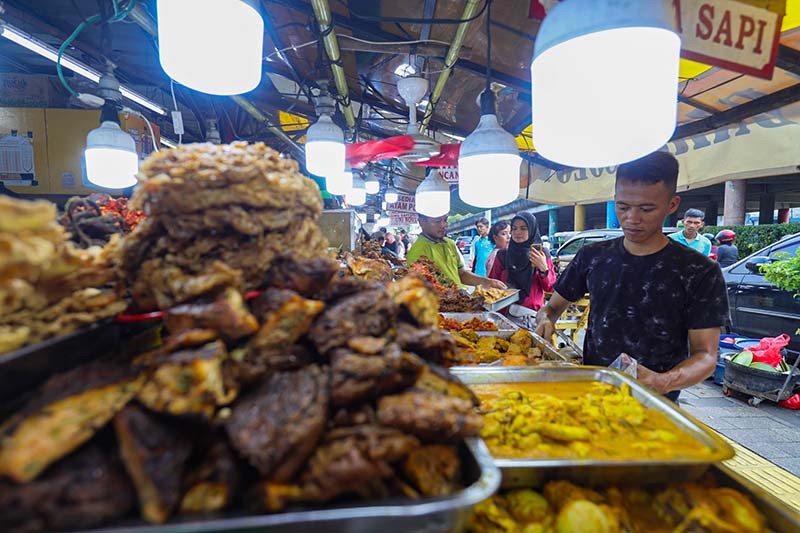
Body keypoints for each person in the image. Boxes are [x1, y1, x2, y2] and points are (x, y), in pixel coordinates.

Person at [534, 151, 728, 403]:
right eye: (623, 207)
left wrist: (662, 381)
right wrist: (546, 320)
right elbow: (551, 309)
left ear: (672, 205)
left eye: (646, 209)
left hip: (655, 403)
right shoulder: (593, 256)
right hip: (593, 392)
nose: (632, 219)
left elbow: (706, 356)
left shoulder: (699, 271)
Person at [406, 212, 507, 290]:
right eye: (437, 221)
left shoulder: (449, 243)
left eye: (445, 220)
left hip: (460, 296)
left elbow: (462, 274)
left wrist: (487, 282)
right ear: (422, 222)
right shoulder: (417, 252)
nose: (443, 225)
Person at [489, 212, 556, 311]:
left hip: (531, 316)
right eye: (514, 228)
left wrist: (543, 269)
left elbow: (550, 288)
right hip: (504, 315)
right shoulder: (503, 255)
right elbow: (492, 284)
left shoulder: (540, 254)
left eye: (523, 228)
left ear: (532, 229)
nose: (517, 232)